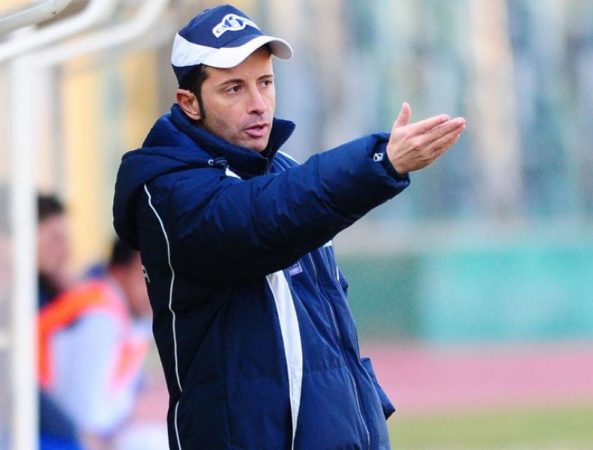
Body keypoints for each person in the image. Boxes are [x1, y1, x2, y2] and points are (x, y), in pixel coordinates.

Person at [112, 4, 466, 449]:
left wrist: (365, 417)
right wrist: (380, 162)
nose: (258, 104)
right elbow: (261, 220)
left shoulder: (283, 172)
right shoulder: (169, 193)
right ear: (189, 103)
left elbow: (331, 330)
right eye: (234, 88)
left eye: (265, 82)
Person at [38, 238, 152, 450]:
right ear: (119, 272)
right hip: (46, 435)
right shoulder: (100, 318)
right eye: (146, 276)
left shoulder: (130, 318)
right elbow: (85, 415)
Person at [36, 193, 82, 450]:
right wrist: (75, 433)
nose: (64, 250)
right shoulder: (16, 298)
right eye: (54, 238)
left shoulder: (48, 292)